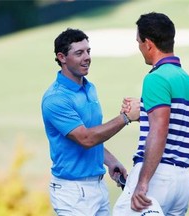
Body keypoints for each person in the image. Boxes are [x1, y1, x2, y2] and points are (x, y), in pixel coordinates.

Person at [41, 28, 139, 216]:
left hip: (98, 185)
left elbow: (93, 135)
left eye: (88, 51)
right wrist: (125, 118)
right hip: (72, 192)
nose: (87, 57)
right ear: (62, 57)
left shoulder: (89, 87)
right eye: (79, 53)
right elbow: (86, 138)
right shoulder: (55, 99)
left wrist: (110, 162)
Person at [113, 12, 189, 216]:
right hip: (182, 182)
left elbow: (159, 129)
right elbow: (174, 120)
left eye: (139, 41)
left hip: (157, 177)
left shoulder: (156, 79)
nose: (138, 47)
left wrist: (143, 182)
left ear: (149, 43)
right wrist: (143, 111)